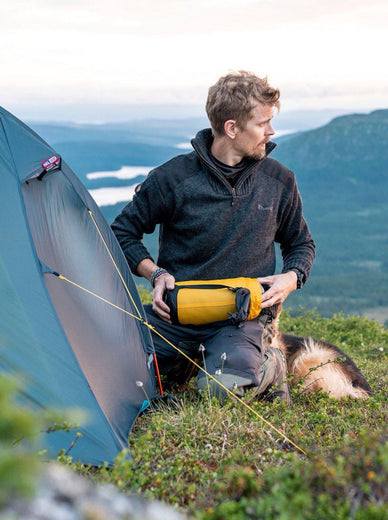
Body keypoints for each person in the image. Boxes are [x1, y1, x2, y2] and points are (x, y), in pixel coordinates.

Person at [111, 71, 315, 403]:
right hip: (176, 315)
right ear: (232, 128)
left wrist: (291, 278)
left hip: (242, 318)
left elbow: (300, 243)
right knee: (108, 365)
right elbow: (121, 232)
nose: (271, 131)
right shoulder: (172, 178)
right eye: (262, 123)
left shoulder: (279, 181)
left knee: (224, 391)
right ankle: (184, 363)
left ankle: (272, 362)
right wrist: (155, 273)